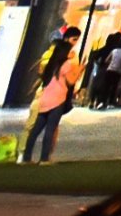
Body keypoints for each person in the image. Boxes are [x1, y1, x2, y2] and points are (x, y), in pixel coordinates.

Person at [24, 30, 80, 162]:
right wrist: (80, 69)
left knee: (36, 129)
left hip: (45, 99)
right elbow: (71, 81)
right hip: (57, 99)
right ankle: (44, 158)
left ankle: (26, 157)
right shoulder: (66, 65)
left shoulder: (51, 64)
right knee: (50, 129)